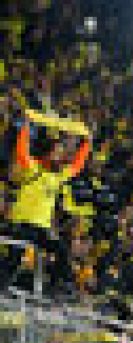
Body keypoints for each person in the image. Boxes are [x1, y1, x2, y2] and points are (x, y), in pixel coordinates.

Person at [0, 91, 92, 296]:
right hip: (23, 223)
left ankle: (59, 288)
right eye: (57, 151)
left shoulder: (58, 175)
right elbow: (22, 152)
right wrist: (25, 127)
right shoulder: (34, 168)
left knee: (61, 251)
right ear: (49, 153)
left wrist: (87, 143)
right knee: (14, 259)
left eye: (62, 152)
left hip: (41, 228)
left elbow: (77, 165)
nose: (61, 155)